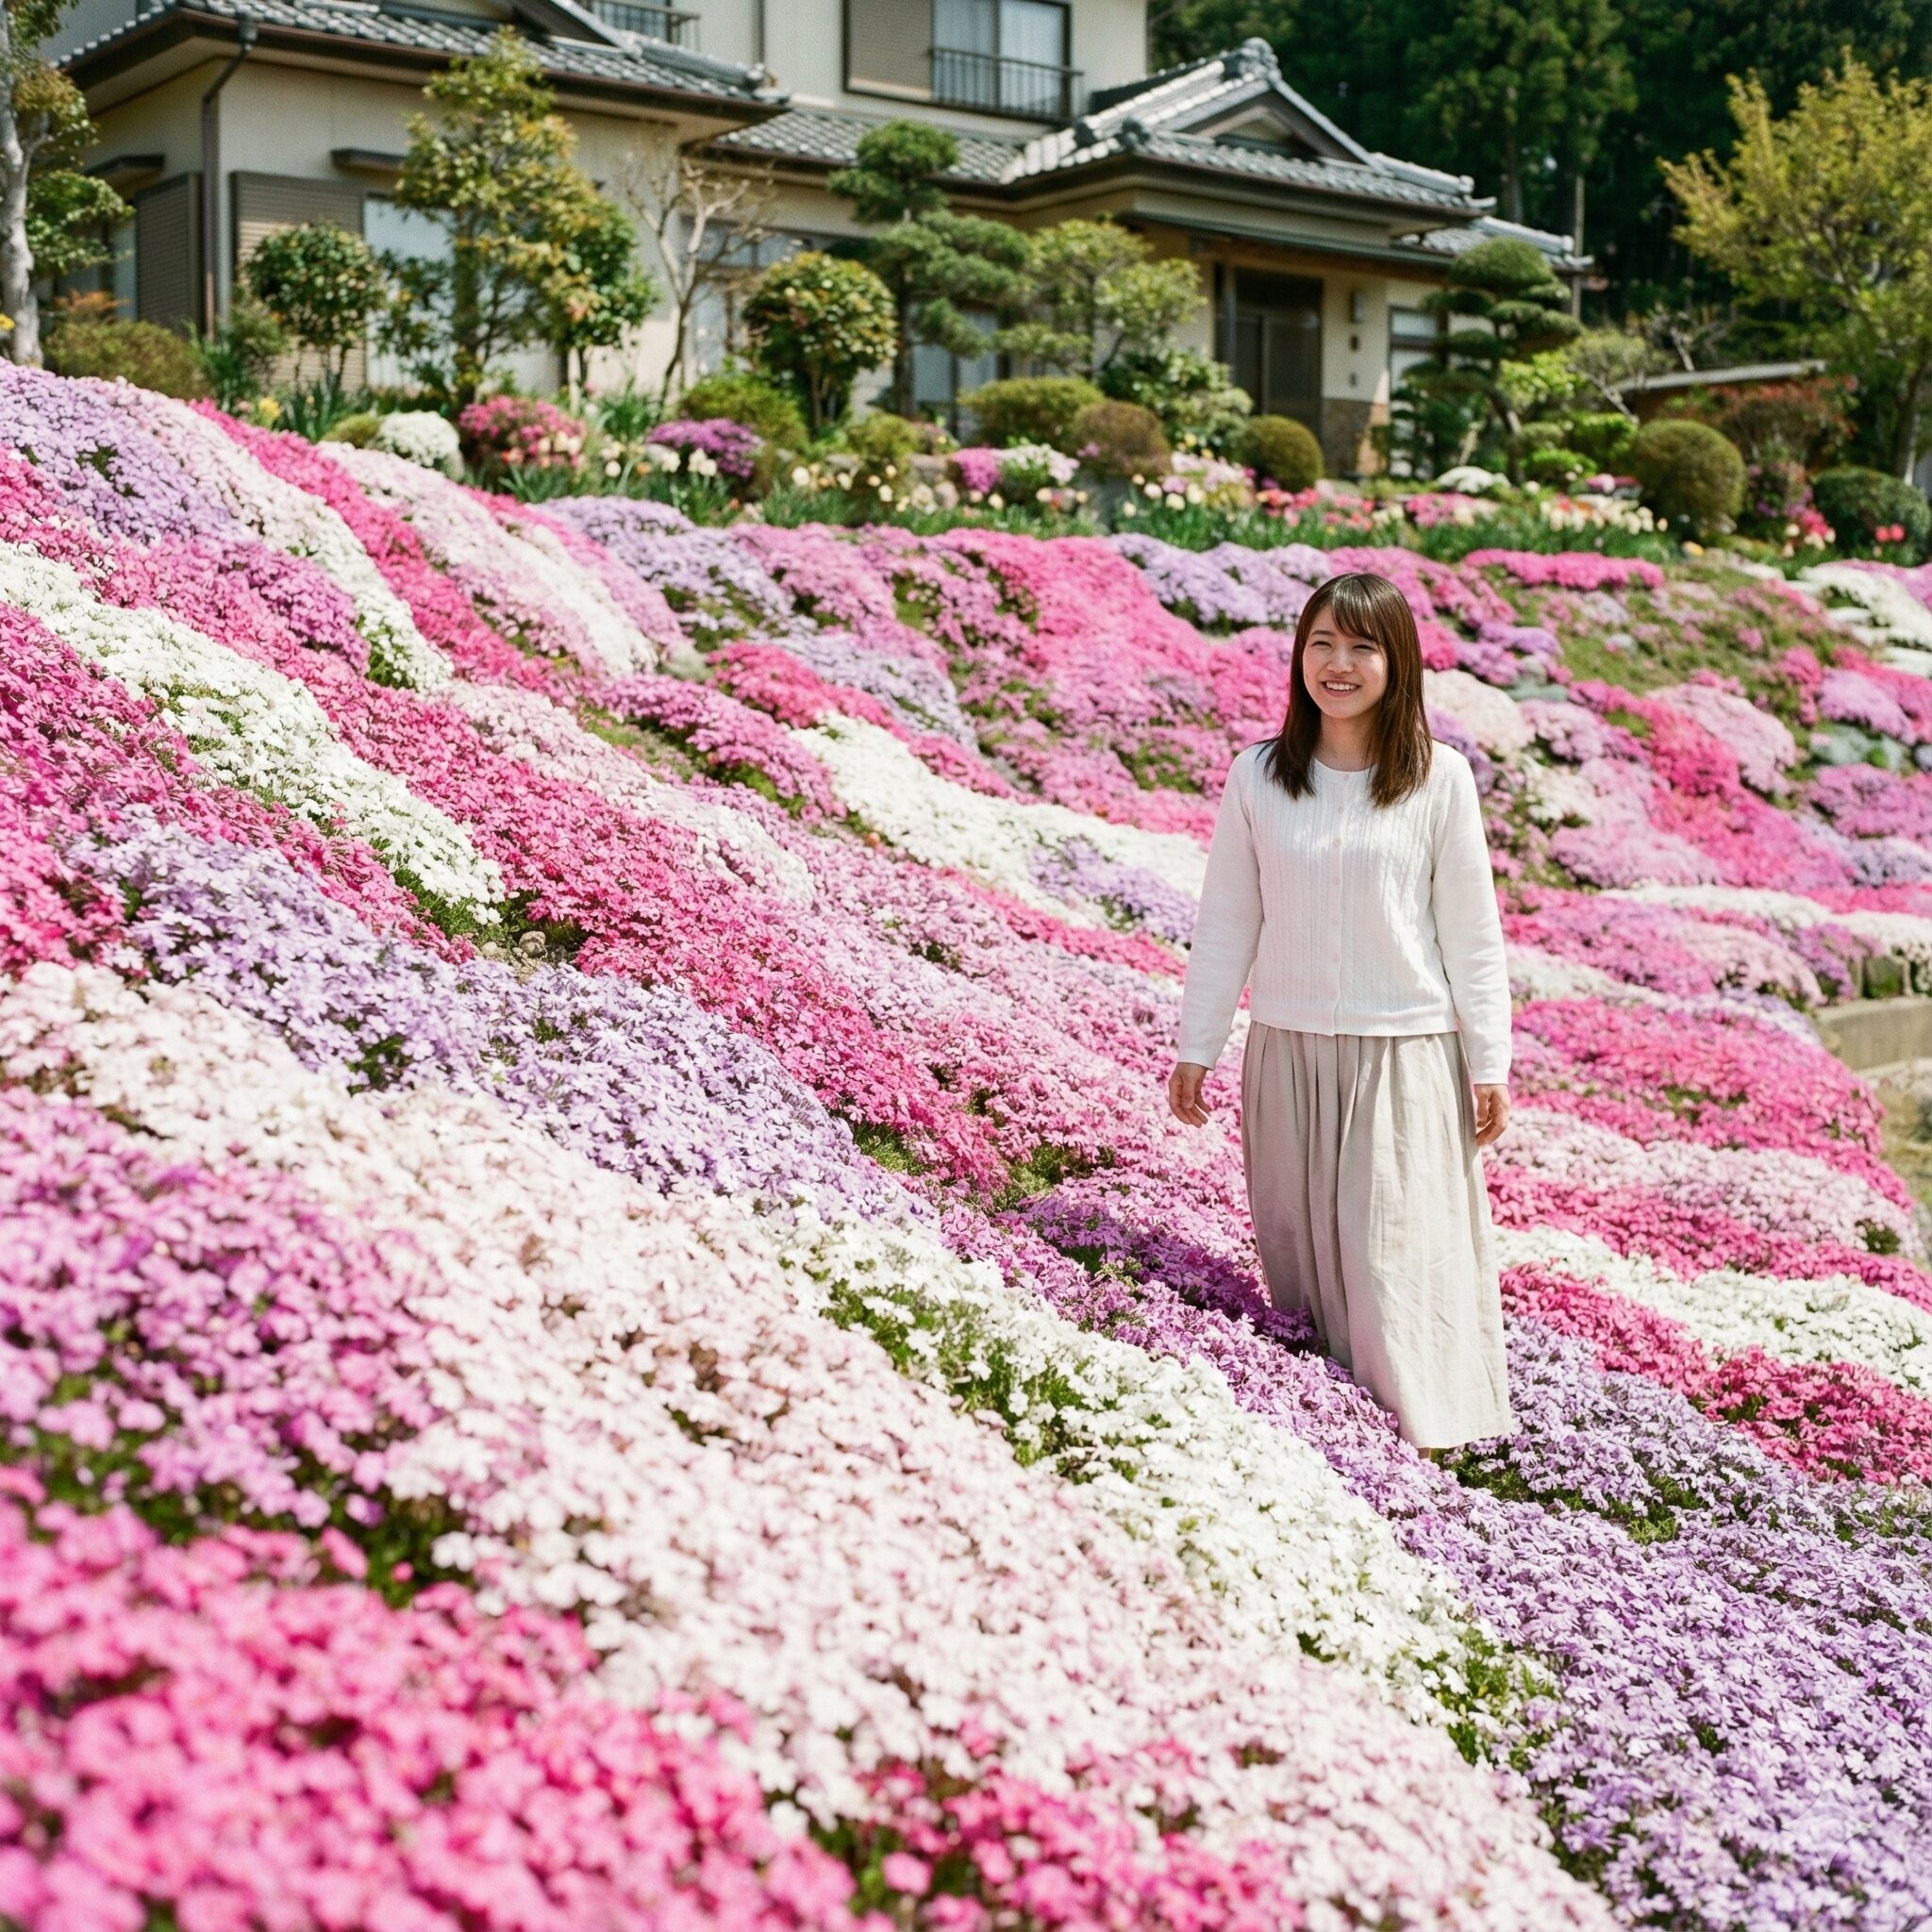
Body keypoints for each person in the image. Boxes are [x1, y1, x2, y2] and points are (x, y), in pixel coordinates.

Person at [1166, 570, 1515, 1453]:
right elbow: (1227, 921)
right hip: (1286, 1049)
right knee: (1303, 1267)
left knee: (1391, 1262)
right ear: (1298, 658)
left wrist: (1490, 1062)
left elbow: (1473, 934)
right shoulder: (1257, 777)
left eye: (1362, 646)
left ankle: (1425, 1445)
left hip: (1402, 1051)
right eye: (1321, 643)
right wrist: (1197, 1046)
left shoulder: (1440, 782)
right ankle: (1335, 1449)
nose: (1339, 663)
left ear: (1398, 663)